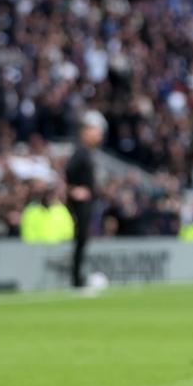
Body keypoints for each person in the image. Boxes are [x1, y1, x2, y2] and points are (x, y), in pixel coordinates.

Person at [66, 111, 104, 289]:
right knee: (80, 239)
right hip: (80, 204)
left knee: (84, 239)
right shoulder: (80, 152)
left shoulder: (87, 152)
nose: (98, 135)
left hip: (87, 203)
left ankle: (78, 276)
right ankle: (76, 278)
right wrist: (73, 190)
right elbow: (68, 172)